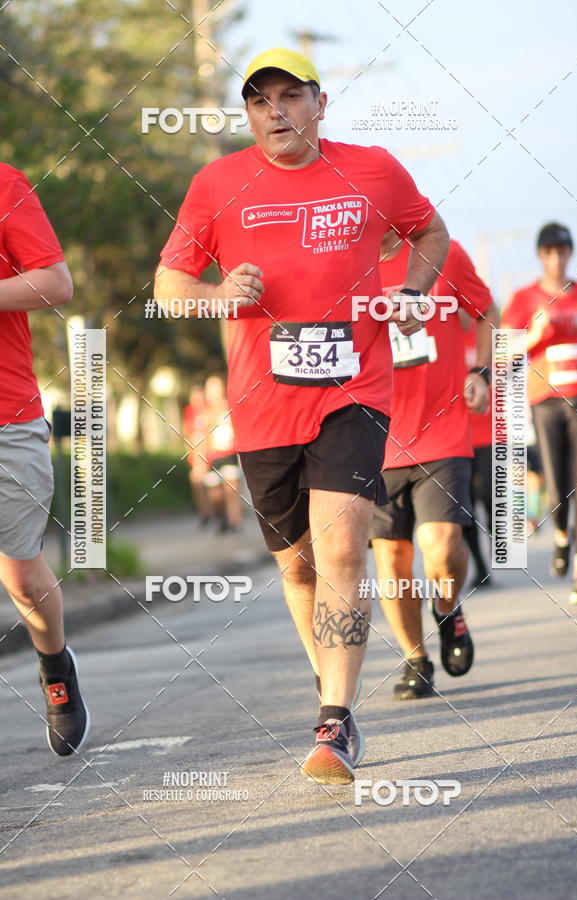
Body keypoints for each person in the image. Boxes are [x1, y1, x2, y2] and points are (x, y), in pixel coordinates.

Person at [154, 47, 449, 784]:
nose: (276, 112)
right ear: (248, 113)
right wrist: (220, 297)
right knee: (296, 565)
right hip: (261, 406)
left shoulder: (373, 169)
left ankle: (337, 720)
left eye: (290, 96)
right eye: (260, 101)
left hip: (353, 391)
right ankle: (331, 689)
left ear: (321, 103)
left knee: (345, 547)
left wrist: (412, 293)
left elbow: (430, 232)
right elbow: (168, 284)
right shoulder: (216, 184)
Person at [370, 234, 498, 700]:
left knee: (441, 547)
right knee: (392, 558)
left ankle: (447, 610)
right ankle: (415, 659)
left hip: (442, 429)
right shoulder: (346, 261)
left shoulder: (444, 254)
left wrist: (481, 372)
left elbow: (486, 311)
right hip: (374, 438)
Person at [0, 162, 90, 755]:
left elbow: (56, 284)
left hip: (6, 416)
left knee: (23, 576)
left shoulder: (6, 184)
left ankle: (54, 666)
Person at [502, 223, 577, 605]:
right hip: (546, 401)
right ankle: (561, 537)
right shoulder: (525, 298)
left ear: (570, 253)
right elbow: (504, 351)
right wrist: (535, 334)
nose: (557, 258)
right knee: (558, 489)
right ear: (541, 256)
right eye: (549, 252)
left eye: (562, 251)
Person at [460, 313, 495, 589]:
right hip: (458, 436)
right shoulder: (442, 334)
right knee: (465, 507)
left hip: (491, 434)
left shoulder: (484, 335)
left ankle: (500, 551)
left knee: (489, 496)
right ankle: (480, 566)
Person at [202, 374, 242, 533]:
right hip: (213, 457)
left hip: (229, 454)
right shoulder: (204, 412)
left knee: (231, 490)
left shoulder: (229, 407)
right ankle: (221, 517)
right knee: (215, 496)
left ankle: (234, 522)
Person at [183, 384, 212, 526]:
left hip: (209, 454)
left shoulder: (208, 410)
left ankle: (212, 512)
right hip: (196, 455)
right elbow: (188, 433)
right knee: (197, 483)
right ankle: (204, 512)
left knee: (210, 485)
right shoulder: (189, 412)